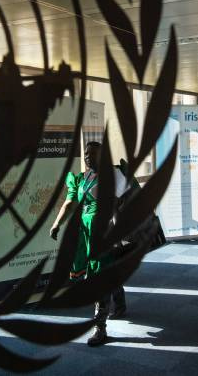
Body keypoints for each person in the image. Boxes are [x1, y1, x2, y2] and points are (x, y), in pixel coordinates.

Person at [50, 141, 129, 347]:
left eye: (93, 153)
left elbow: (115, 207)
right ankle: (119, 303)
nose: (87, 156)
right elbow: (69, 203)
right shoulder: (80, 179)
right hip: (85, 231)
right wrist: (57, 224)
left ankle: (99, 328)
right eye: (86, 153)